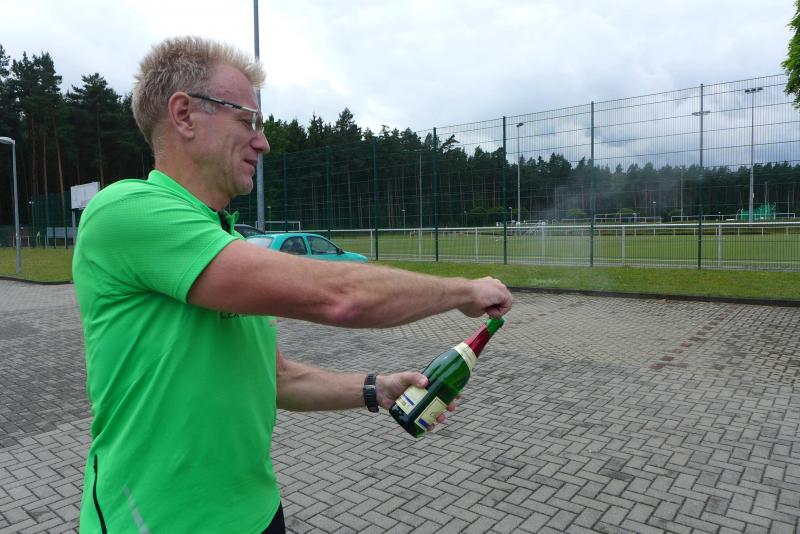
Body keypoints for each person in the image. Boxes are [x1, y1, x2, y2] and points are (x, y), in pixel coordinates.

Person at [72, 36, 513, 534]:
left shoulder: (227, 240)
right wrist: (464, 291)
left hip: (258, 513)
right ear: (184, 114)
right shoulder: (125, 211)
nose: (263, 142)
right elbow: (339, 297)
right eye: (248, 121)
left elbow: (277, 378)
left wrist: (378, 389)